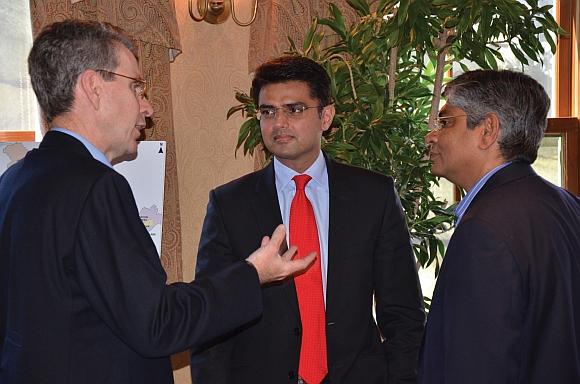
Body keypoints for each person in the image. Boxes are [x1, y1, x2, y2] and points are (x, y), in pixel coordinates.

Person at [0, 19, 314, 384]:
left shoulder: (15, 180)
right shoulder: (96, 187)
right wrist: (253, 274)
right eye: (136, 87)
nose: (147, 107)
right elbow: (156, 324)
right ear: (93, 87)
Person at [190, 56, 425, 384]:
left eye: (294, 109)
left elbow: (403, 313)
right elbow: (212, 318)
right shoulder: (230, 204)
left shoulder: (374, 195)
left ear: (325, 116)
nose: (279, 123)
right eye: (268, 111)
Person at [419, 69, 580, 384]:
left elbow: (475, 364)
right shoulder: (567, 204)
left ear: (487, 130)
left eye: (446, 121)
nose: (431, 135)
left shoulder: (485, 229)